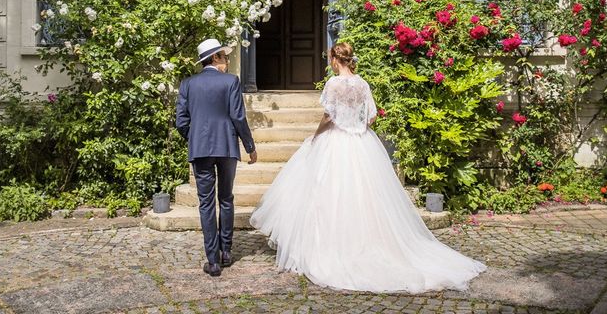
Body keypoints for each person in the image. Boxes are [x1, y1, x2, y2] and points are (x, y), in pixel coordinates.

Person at [249, 42, 486, 293]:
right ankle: (369, 242)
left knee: (329, 194)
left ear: (334, 59)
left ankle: (330, 247)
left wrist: (317, 135)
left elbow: (329, 116)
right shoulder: (362, 84)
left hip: (336, 141)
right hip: (361, 142)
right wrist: (357, 124)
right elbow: (371, 116)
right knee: (366, 196)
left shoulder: (333, 84)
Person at [176, 38, 257, 277]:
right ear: (214, 58)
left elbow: (181, 121)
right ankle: (226, 252)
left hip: (200, 149)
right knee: (226, 198)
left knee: (206, 203)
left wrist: (194, 138)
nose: (228, 60)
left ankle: (212, 260)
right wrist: (249, 145)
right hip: (227, 147)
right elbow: (238, 117)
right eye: (225, 56)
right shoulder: (231, 82)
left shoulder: (188, 84)